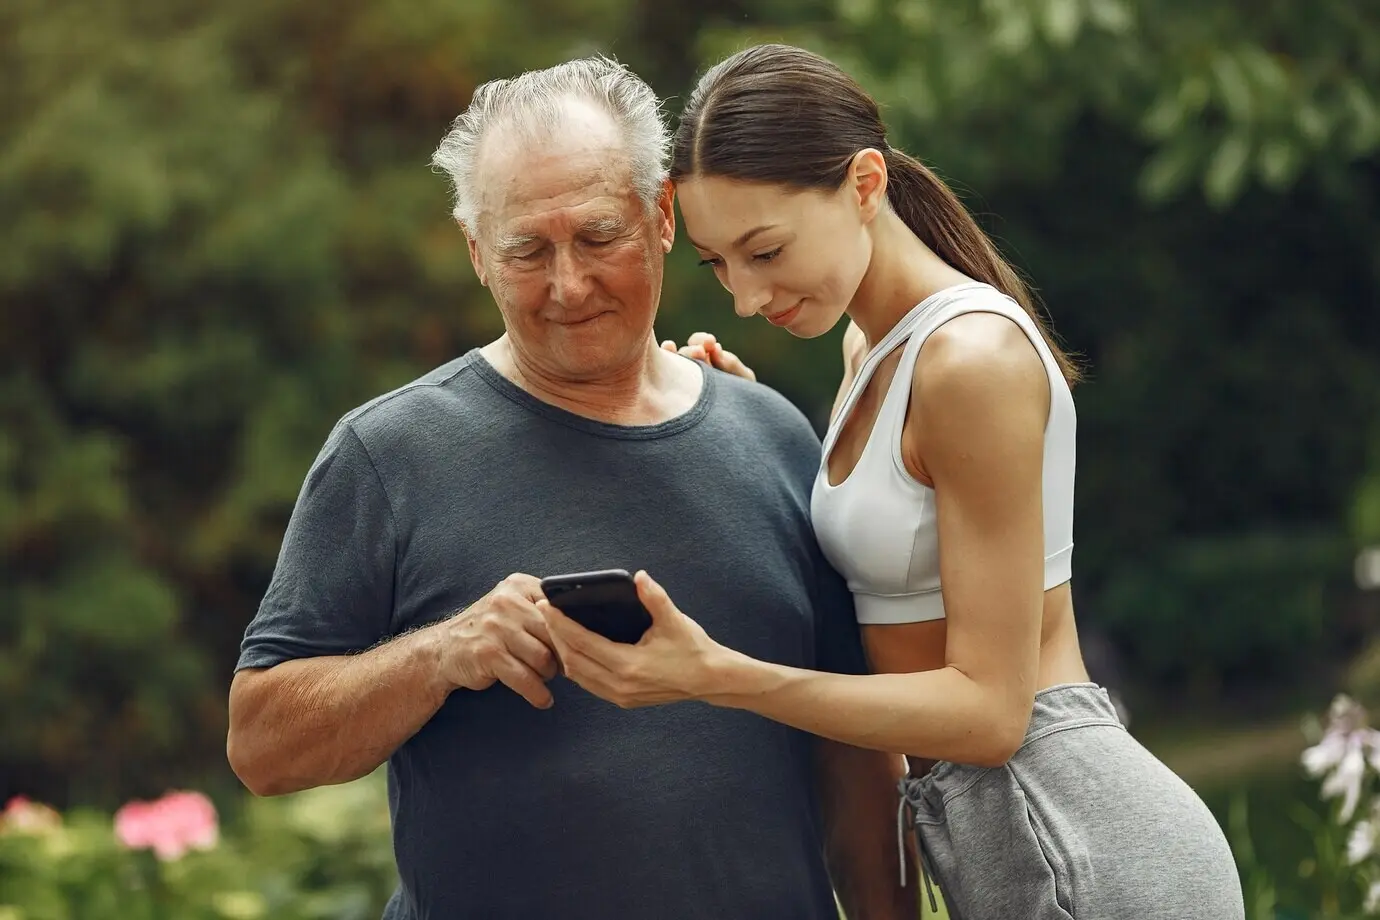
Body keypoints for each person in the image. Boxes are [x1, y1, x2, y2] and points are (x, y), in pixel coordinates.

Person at [542, 43, 1247, 919]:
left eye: (765, 251)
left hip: (1078, 842)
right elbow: (886, 551)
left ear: (865, 184)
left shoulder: (970, 360)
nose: (746, 300)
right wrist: (743, 423)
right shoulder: (868, 351)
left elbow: (992, 715)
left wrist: (714, 674)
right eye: (719, 264)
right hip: (1003, 833)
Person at [225, 56, 912, 920]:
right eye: (526, 250)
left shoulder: (772, 433)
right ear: (477, 254)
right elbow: (261, 746)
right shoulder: (387, 455)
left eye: (597, 237)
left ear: (660, 217)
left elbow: (855, 757)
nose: (568, 285)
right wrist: (438, 655)